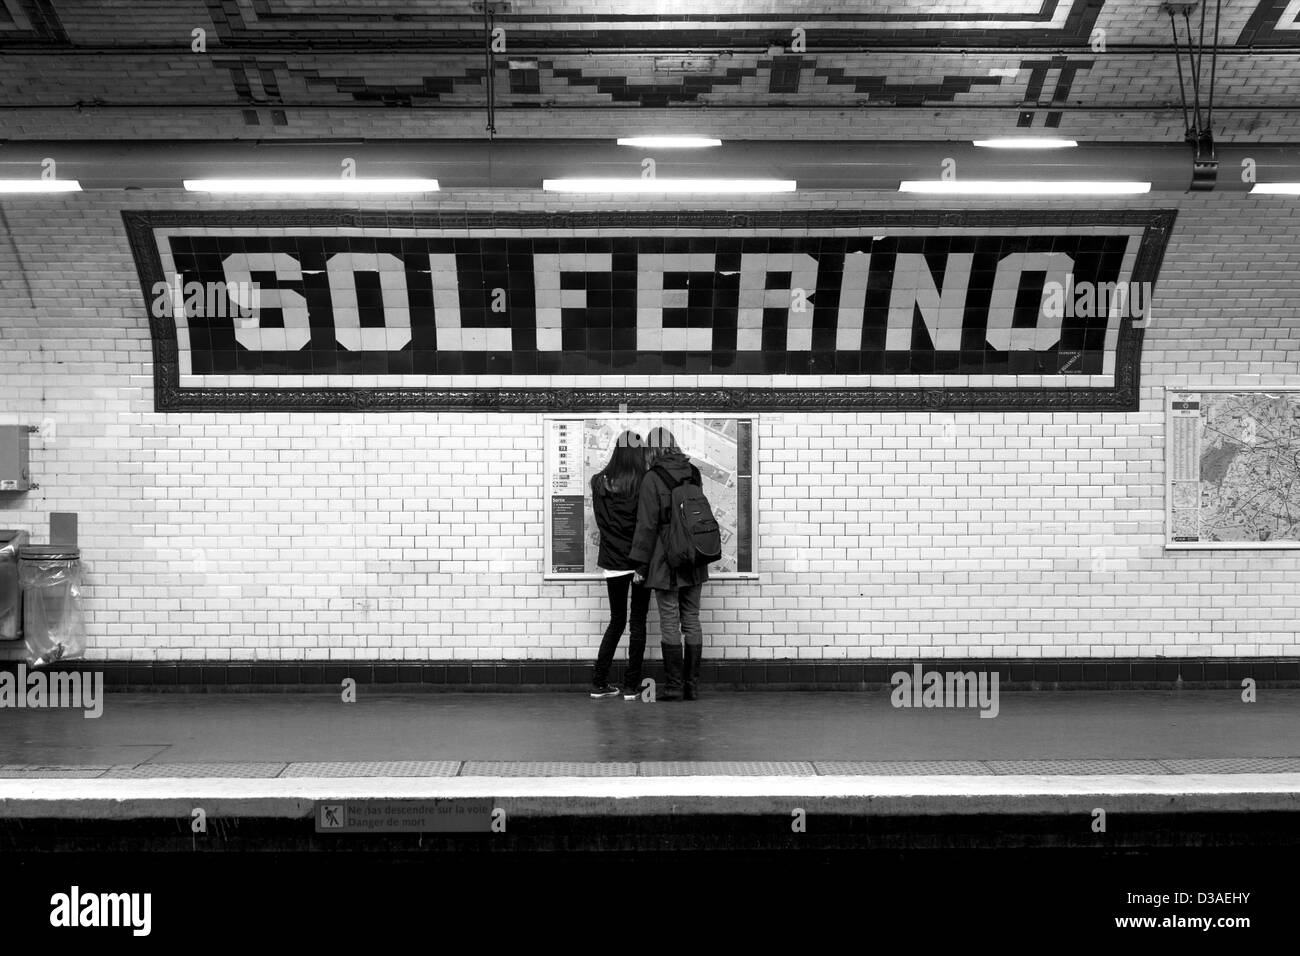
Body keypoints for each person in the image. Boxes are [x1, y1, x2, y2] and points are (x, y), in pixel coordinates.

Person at [628, 427, 709, 701]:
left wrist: (640, 566)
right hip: (695, 559)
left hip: (666, 562)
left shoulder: (652, 478)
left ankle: (674, 686)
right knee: (692, 620)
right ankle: (693, 687)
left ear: (652, 449)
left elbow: (646, 526)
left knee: (670, 622)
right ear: (674, 444)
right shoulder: (694, 472)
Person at [588, 430, 652, 700]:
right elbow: (644, 526)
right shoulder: (643, 483)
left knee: (616, 621)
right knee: (637, 622)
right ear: (638, 453)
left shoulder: (598, 482)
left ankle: (600, 683)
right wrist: (641, 564)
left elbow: (603, 525)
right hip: (637, 563)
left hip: (612, 562)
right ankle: (630, 687)